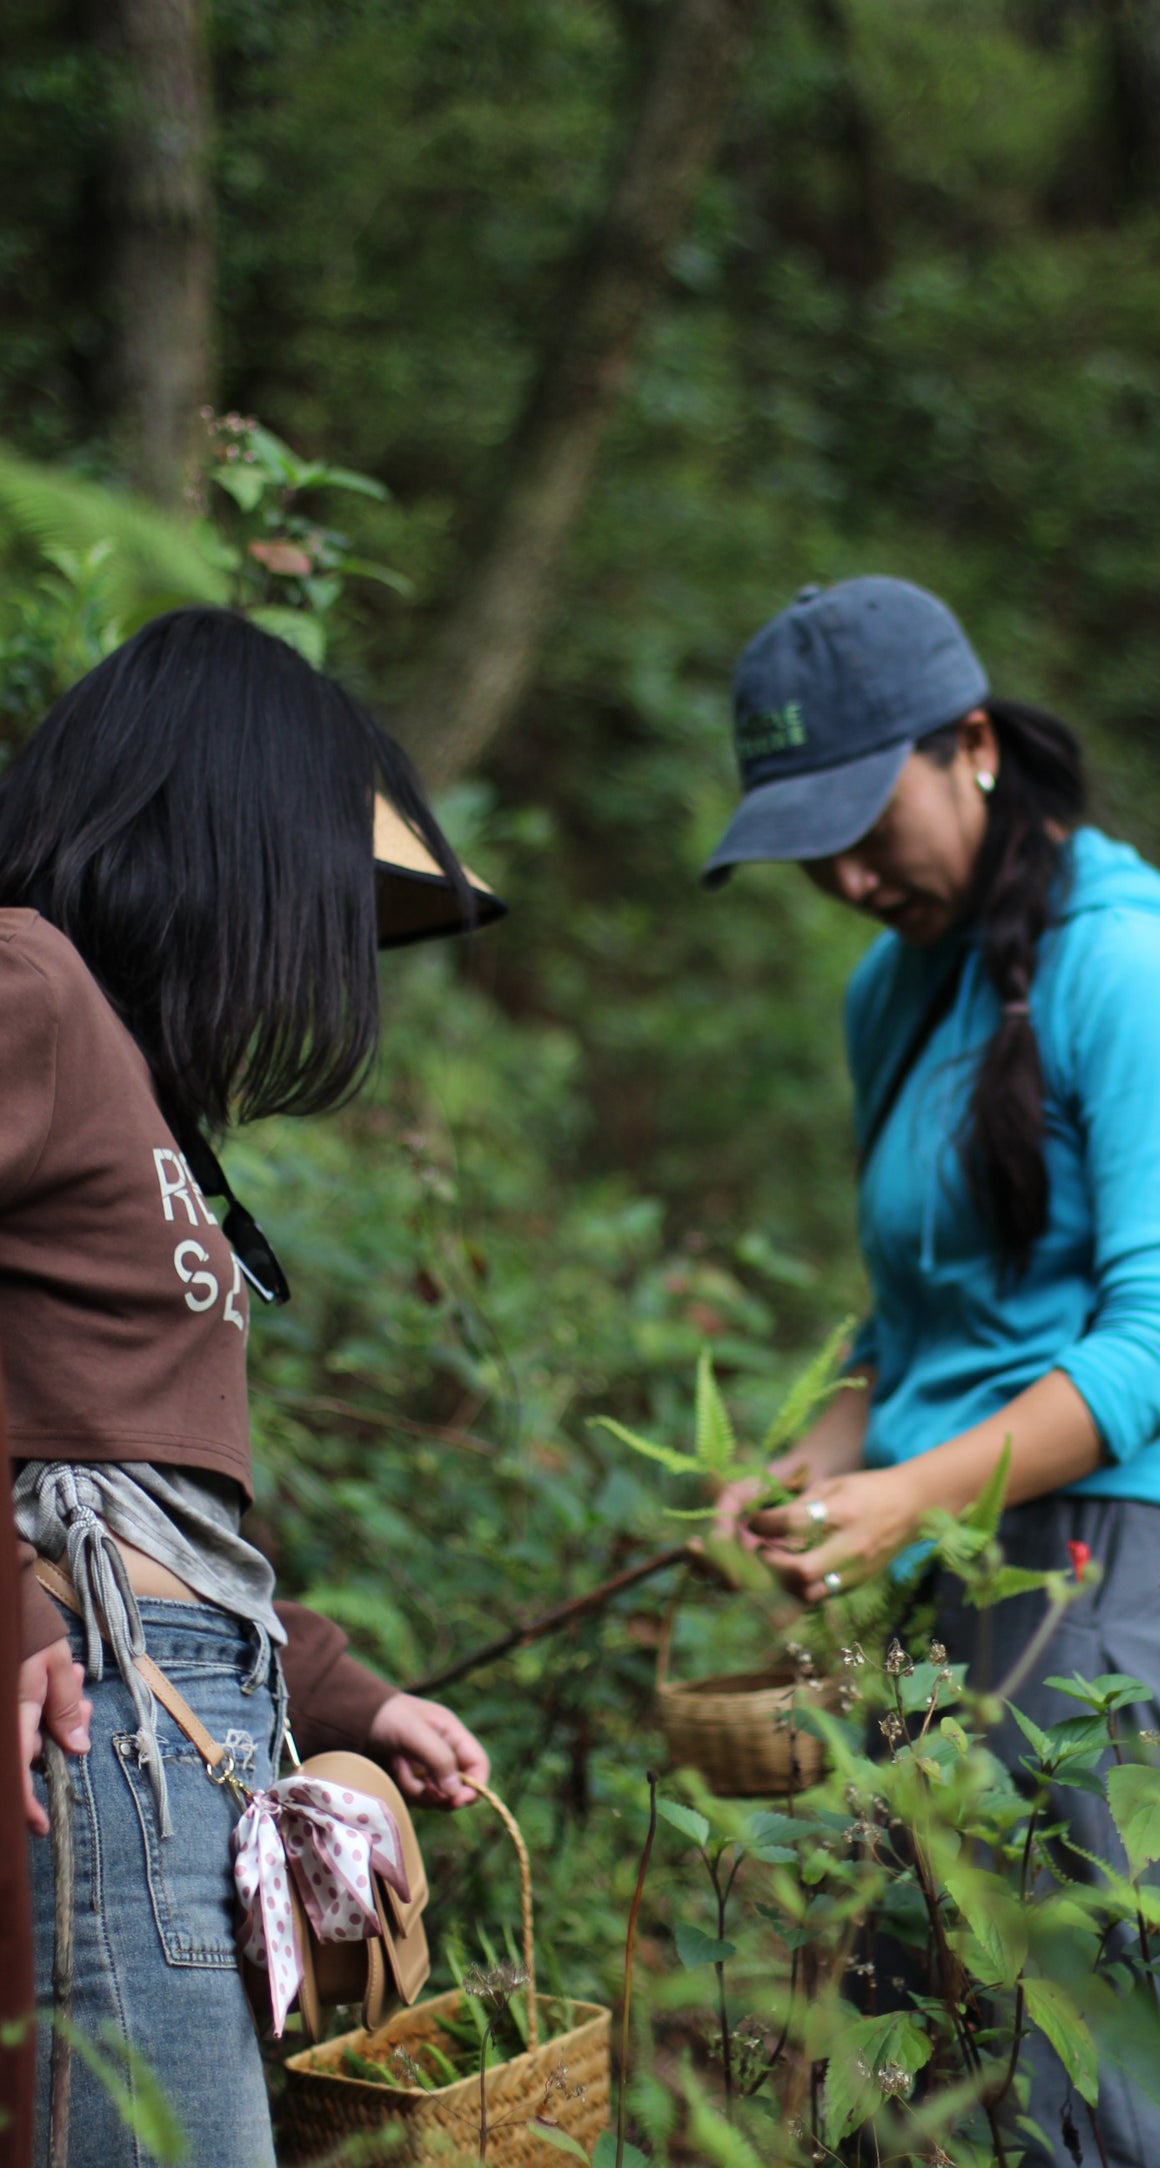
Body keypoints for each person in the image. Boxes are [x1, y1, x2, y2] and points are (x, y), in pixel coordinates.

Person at [707, 577, 1160, 2167]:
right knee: (917, 2051)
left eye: (865, 825)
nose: (847, 877)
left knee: (1079, 2067)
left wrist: (908, 1495)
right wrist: (820, 1456)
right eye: (809, 848)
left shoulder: (1133, 967)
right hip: (946, 1554)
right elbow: (916, 1313)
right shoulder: (894, 986)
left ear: (975, 746)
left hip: (1103, 1559)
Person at [2, 606, 505, 2168]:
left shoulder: (125, 1075)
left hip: (180, 1740)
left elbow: (148, 1484)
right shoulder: (29, 984)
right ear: (221, 841)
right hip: (108, 1737)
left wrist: (348, 1694)